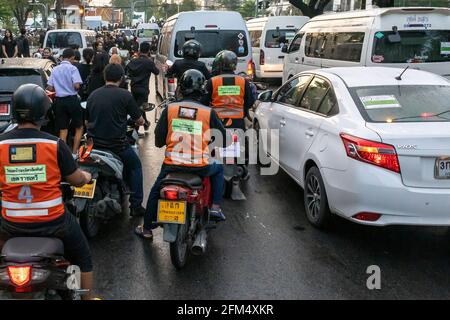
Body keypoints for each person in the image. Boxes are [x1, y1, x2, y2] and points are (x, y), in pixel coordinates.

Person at [0, 84, 94, 299]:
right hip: (54, 222)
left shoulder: (1, 144)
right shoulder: (54, 144)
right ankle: (87, 296)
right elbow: (76, 179)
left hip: (10, 223)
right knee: (82, 255)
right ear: (44, 112)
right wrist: (86, 177)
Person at [135, 69, 227, 240]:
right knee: (219, 168)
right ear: (202, 90)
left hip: (171, 165)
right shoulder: (208, 112)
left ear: (181, 88)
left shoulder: (170, 109)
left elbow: (158, 140)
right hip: (200, 168)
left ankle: (147, 228)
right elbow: (222, 139)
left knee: (156, 191)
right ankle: (215, 206)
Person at [86, 64, 146, 217]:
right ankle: (136, 204)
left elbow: (87, 122)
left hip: (94, 146)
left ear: (105, 77)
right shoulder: (125, 95)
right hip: (117, 146)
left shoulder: (93, 95)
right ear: (121, 78)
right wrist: (141, 122)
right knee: (136, 166)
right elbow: (139, 120)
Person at [203, 50, 255, 131]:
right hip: (238, 122)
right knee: (240, 142)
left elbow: (204, 102)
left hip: (217, 123)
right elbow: (250, 102)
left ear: (220, 64)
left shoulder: (212, 81)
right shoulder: (243, 81)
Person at [46, 48, 84, 154]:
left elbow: (50, 88)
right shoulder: (73, 69)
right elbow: (76, 85)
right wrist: (74, 87)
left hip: (59, 101)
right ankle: (74, 152)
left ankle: (63, 154)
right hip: (72, 100)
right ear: (72, 57)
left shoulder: (55, 69)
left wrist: (59, 87)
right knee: (79, 127)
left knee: (63, 129)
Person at [125, 42, 159, 131]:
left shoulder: (133, 61)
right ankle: (134, 130)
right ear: (148, 51)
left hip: (134, 88)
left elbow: (127, 70)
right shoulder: (149, 62)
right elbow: (157, 72)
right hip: (143, 89)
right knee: (141, 108)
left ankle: (145, 124)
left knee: (138, 107)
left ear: (140, 50)